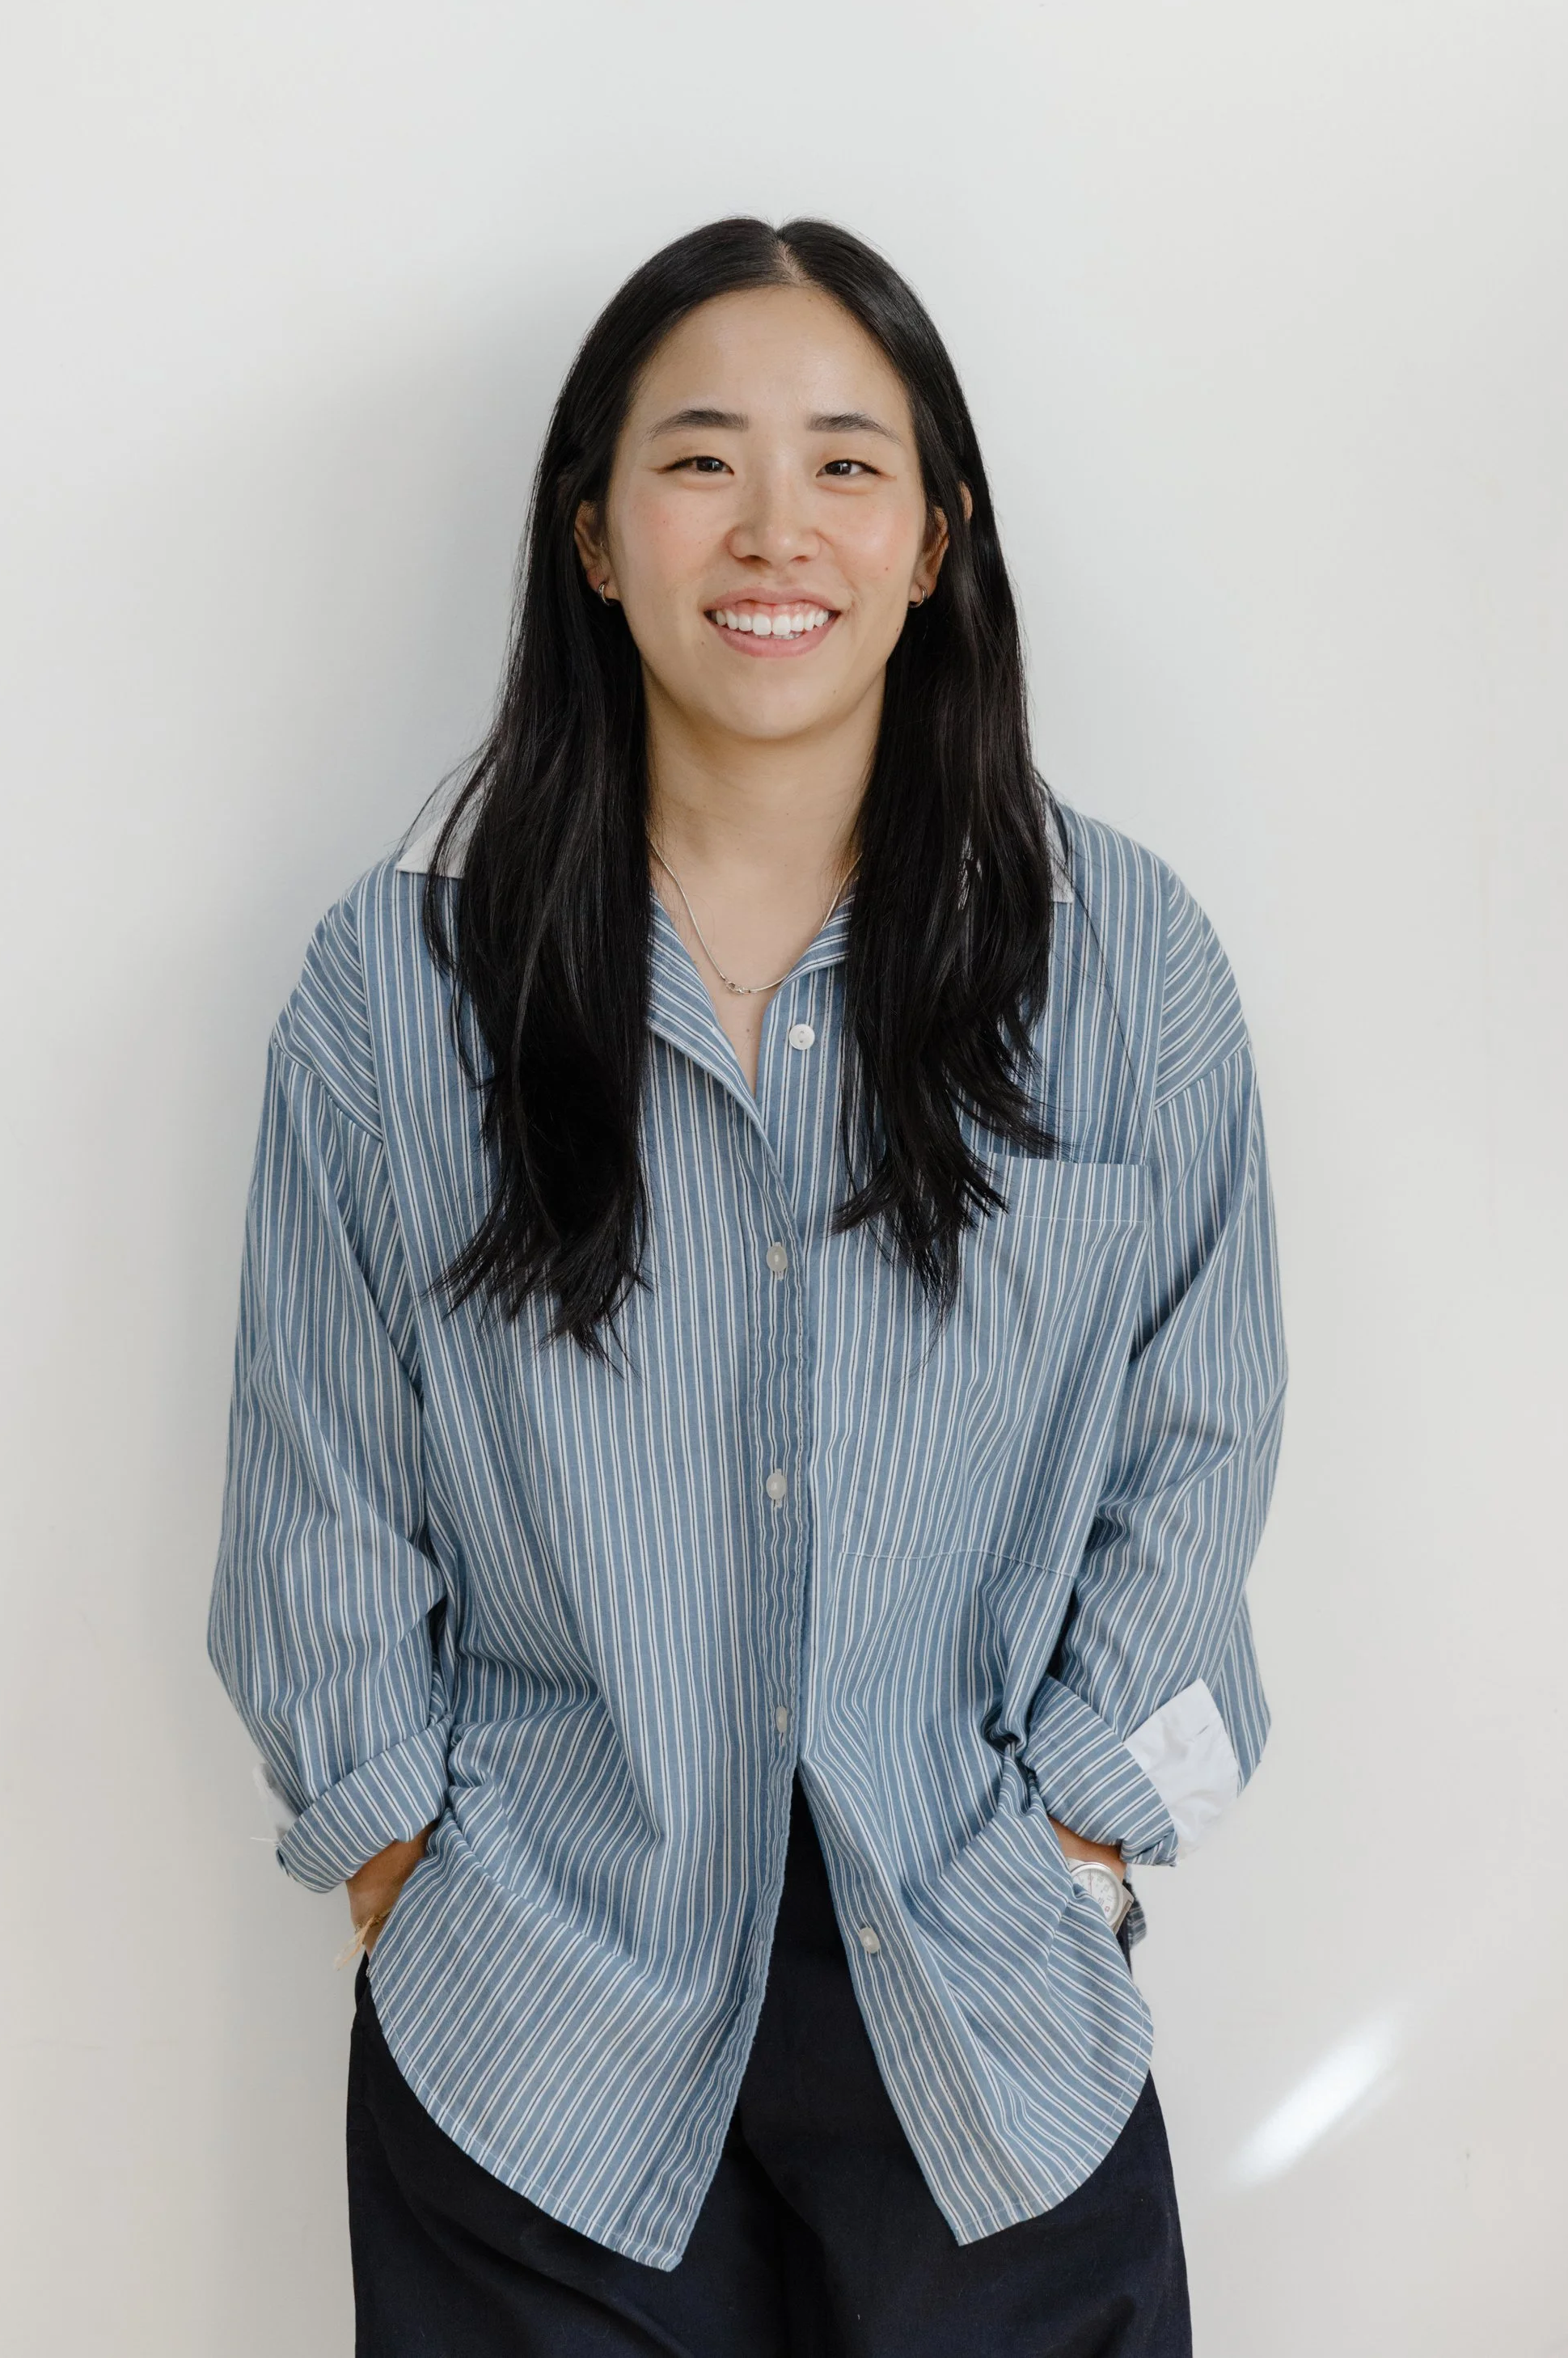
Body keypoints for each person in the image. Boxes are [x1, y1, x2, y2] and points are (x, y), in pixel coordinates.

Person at [209, 218, 1286, 2355]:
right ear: (592, 536)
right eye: (698, 460)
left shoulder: (1123, 964)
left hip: (985, 1993)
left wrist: (1084, 1834)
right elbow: (311, 1485)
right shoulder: (398, 993)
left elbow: (1203, 1438)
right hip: (534, 2005)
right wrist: (397, 1862)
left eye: (847, 465)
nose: (773, 526)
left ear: (932, 542)